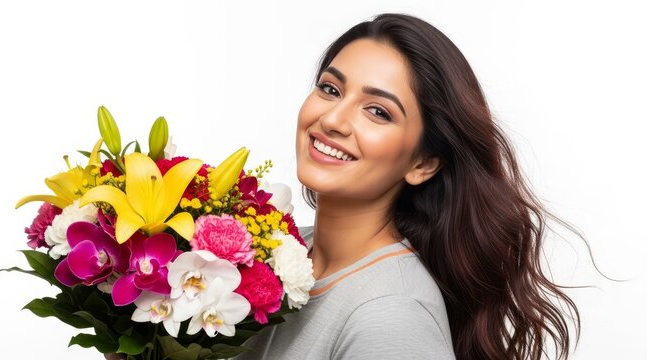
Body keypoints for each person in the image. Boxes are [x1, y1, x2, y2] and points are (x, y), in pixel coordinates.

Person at [235, 13, 581, 360]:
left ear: (423, 163)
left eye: (378, 112)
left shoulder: (391, 313)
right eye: (330, 89)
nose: (333, 120)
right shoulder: (278, 253)